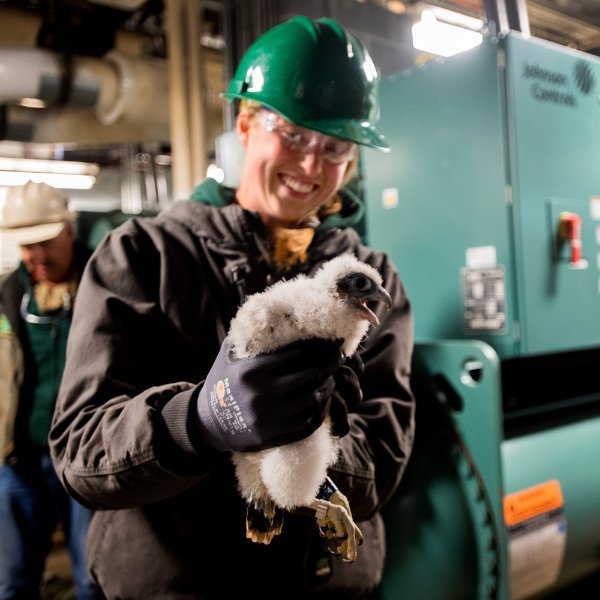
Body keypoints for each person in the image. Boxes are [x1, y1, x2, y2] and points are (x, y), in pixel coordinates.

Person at [49, 15, 415, 600]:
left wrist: (320, 439)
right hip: (180, 584)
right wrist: (198, 421)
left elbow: (384, 460)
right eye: (292, 135)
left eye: (335, 148)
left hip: (323, 585)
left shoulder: (370, 279)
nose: (311, 166)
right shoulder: (142, 257)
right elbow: (81, 453)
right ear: (246, 124)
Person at [0, 181, 103, 600]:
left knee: (92, 580)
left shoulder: (106, 284)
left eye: (44, 242)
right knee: (11, 582)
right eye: (26, 247)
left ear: (68, 229)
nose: (35, 256)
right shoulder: (8, 295)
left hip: (85, 458)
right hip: (19, 459)